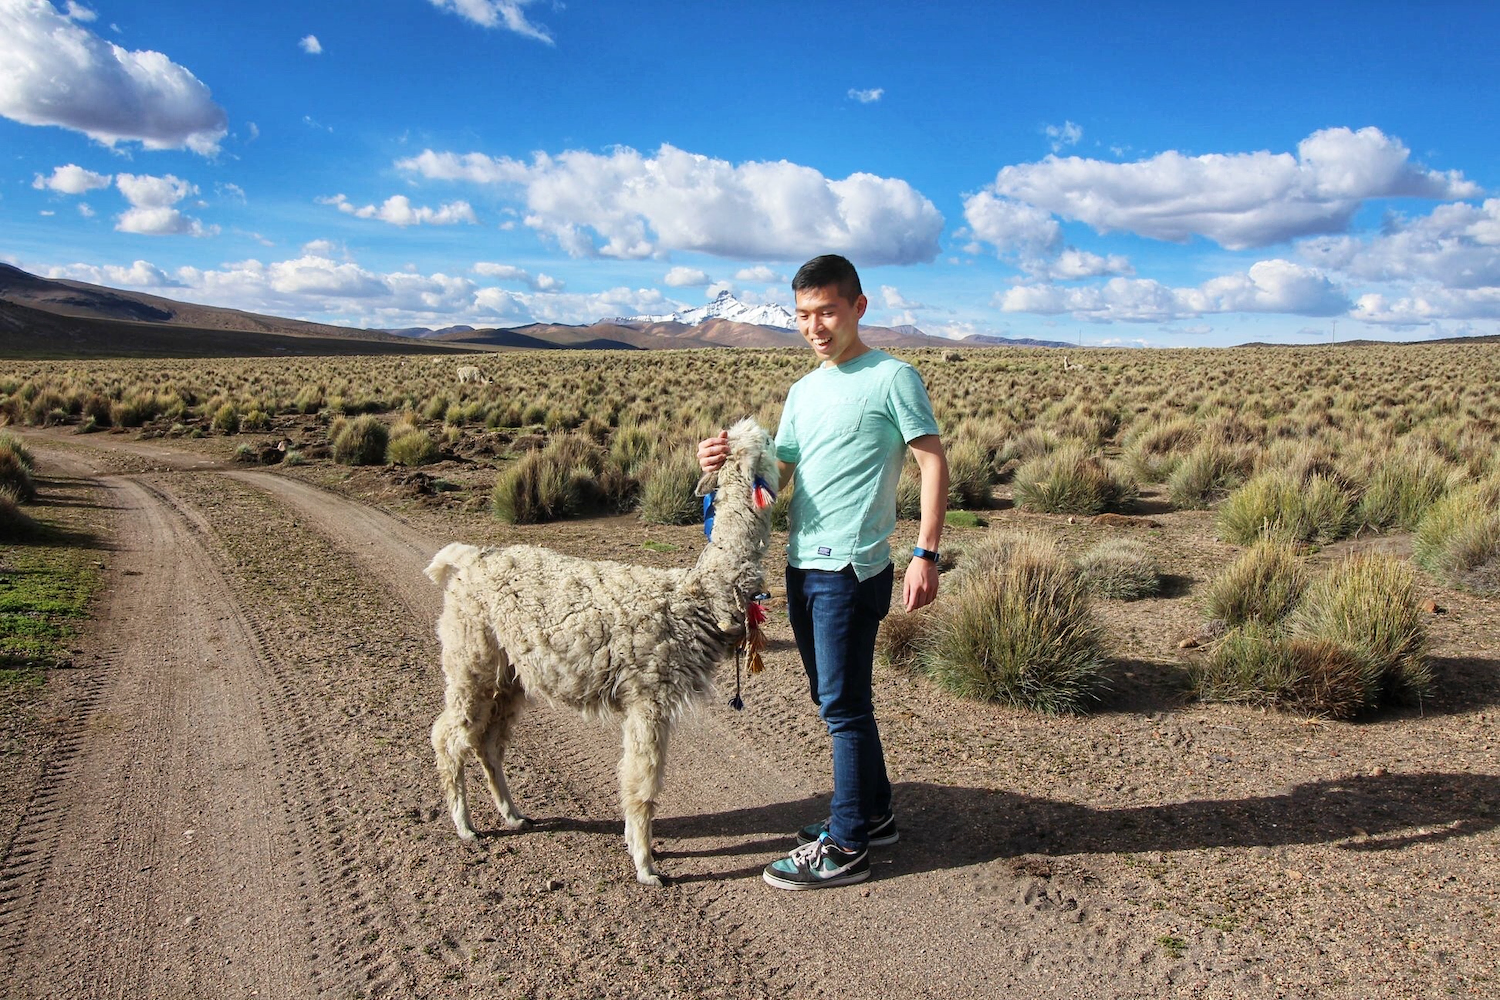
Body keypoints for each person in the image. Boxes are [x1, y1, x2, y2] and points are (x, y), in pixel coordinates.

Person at [696, 254, 948, 889]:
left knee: (842, 705)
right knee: (833, 699)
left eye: (827, 312)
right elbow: (776, 477)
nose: (815, 326)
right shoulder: (804, 390)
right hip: (802, 566)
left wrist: (925, 553)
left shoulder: (893, 377)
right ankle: (874, 812)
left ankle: (846, 842)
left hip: (852, 568)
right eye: (804, 315)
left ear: (859, 307)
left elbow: (932, 463)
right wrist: (724, 460)